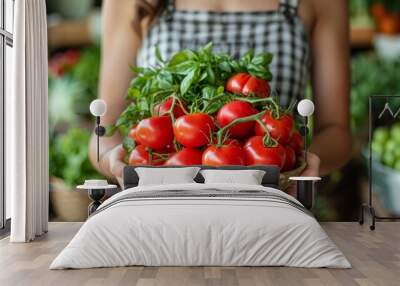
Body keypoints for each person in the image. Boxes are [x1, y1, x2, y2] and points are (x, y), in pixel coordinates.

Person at [89, 0, 352, 189]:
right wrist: (113, 160)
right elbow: (105, 127)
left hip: (274, 196)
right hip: (164, 195)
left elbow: (337, 131)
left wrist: (302, 161)